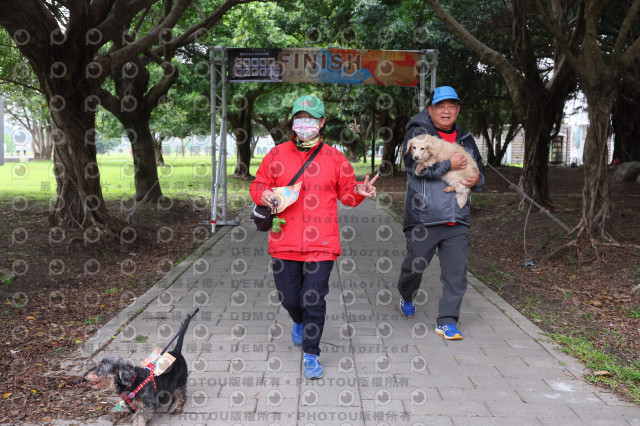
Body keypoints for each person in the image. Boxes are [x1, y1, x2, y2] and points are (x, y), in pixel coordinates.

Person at [249, 95, 378, 379]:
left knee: (314, 301)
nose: (304, 124)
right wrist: (264, 193)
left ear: (321, 123)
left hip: (323, 244)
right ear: (292, 122)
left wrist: (359, 190)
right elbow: (258, 184)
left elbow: (347, 193)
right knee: (289, 299)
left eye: (310, 119)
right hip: (284, 242)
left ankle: (311, 354)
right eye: (299, 118)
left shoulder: (335, 158)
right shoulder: (276, 155)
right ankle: (298, 321)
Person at [396, 86, 485, 340]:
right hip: (424, 217)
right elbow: (414, 168)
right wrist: (448, 164)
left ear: (457, 110)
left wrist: (476, 180)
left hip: (457, 217)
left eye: (451, 106)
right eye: (440, 106)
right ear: (431, 110)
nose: (446, 111)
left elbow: (480, 174)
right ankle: (406, 294)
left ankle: (447, 321)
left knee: (456, 274)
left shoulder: (465, 139)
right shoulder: (418, 135)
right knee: (414, 266)